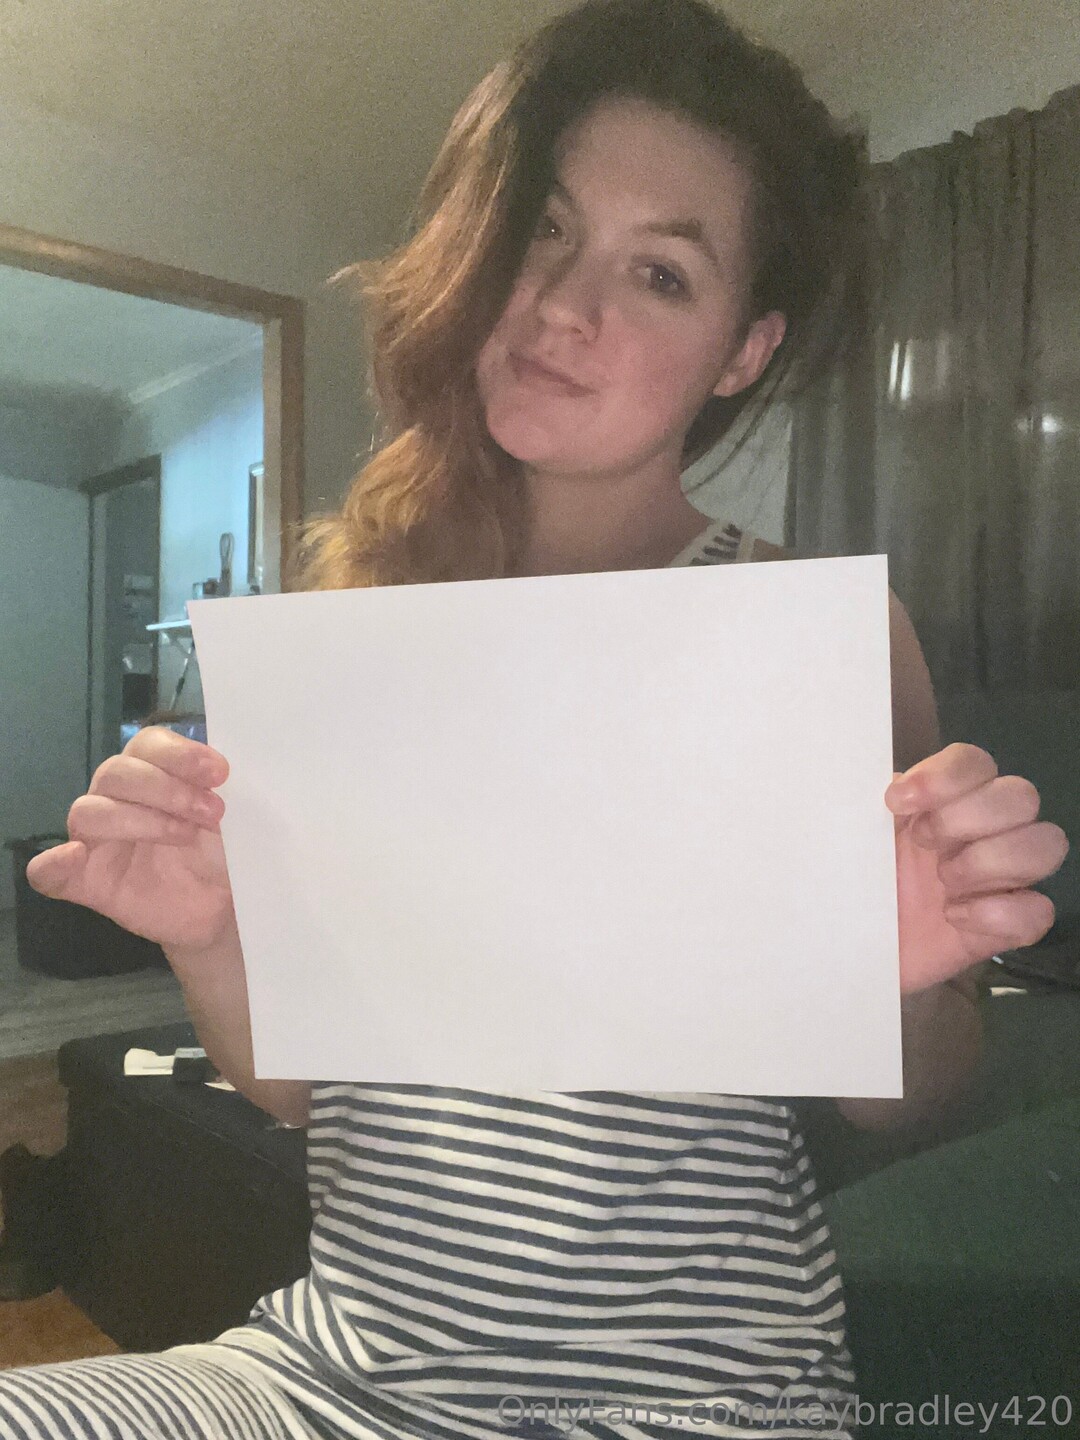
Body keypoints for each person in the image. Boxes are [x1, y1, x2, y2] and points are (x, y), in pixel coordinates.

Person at [4, 2, 1068, 1437]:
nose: (567, 304)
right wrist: (208, 934)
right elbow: (304, 1095)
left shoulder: (810, 639)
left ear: (742, 350)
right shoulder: (348, 627)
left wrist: (895, 979)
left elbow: (908, 1102)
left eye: (661, 273)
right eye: (546, 231)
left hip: (700, 1398)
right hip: (334, 1370)